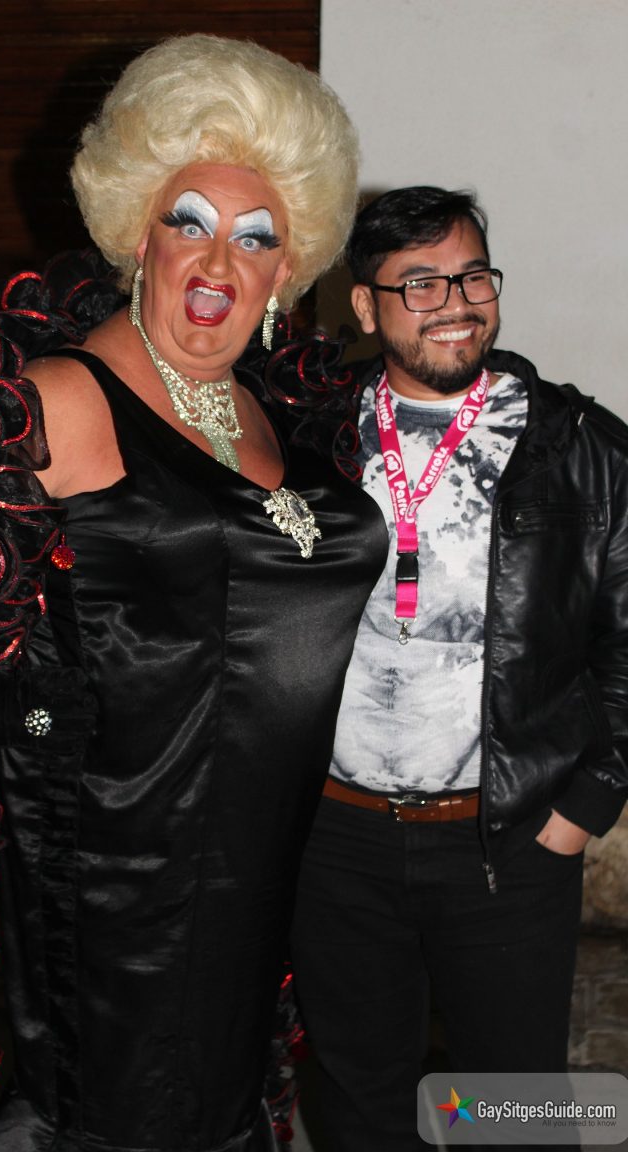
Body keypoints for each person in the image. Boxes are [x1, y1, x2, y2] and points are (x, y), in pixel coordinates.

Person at [0, 35, 388, 1152]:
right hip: (118, 885)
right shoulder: (70, 395)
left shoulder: (267, 411)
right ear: (137, 234)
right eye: (189, 220)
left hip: (260, 875)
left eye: (257, 237)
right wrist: (18, 716)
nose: (219, 258)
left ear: (285, 273)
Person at [289, 185, 628, 1150]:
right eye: (421, 282)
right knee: (358, 1099)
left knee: (511, 1109)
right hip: (335, 834)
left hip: (508, 838)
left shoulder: (580, 447)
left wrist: (584, 807)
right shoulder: (307, 437)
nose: (457, 302)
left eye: (474, 275)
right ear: (366, 306)